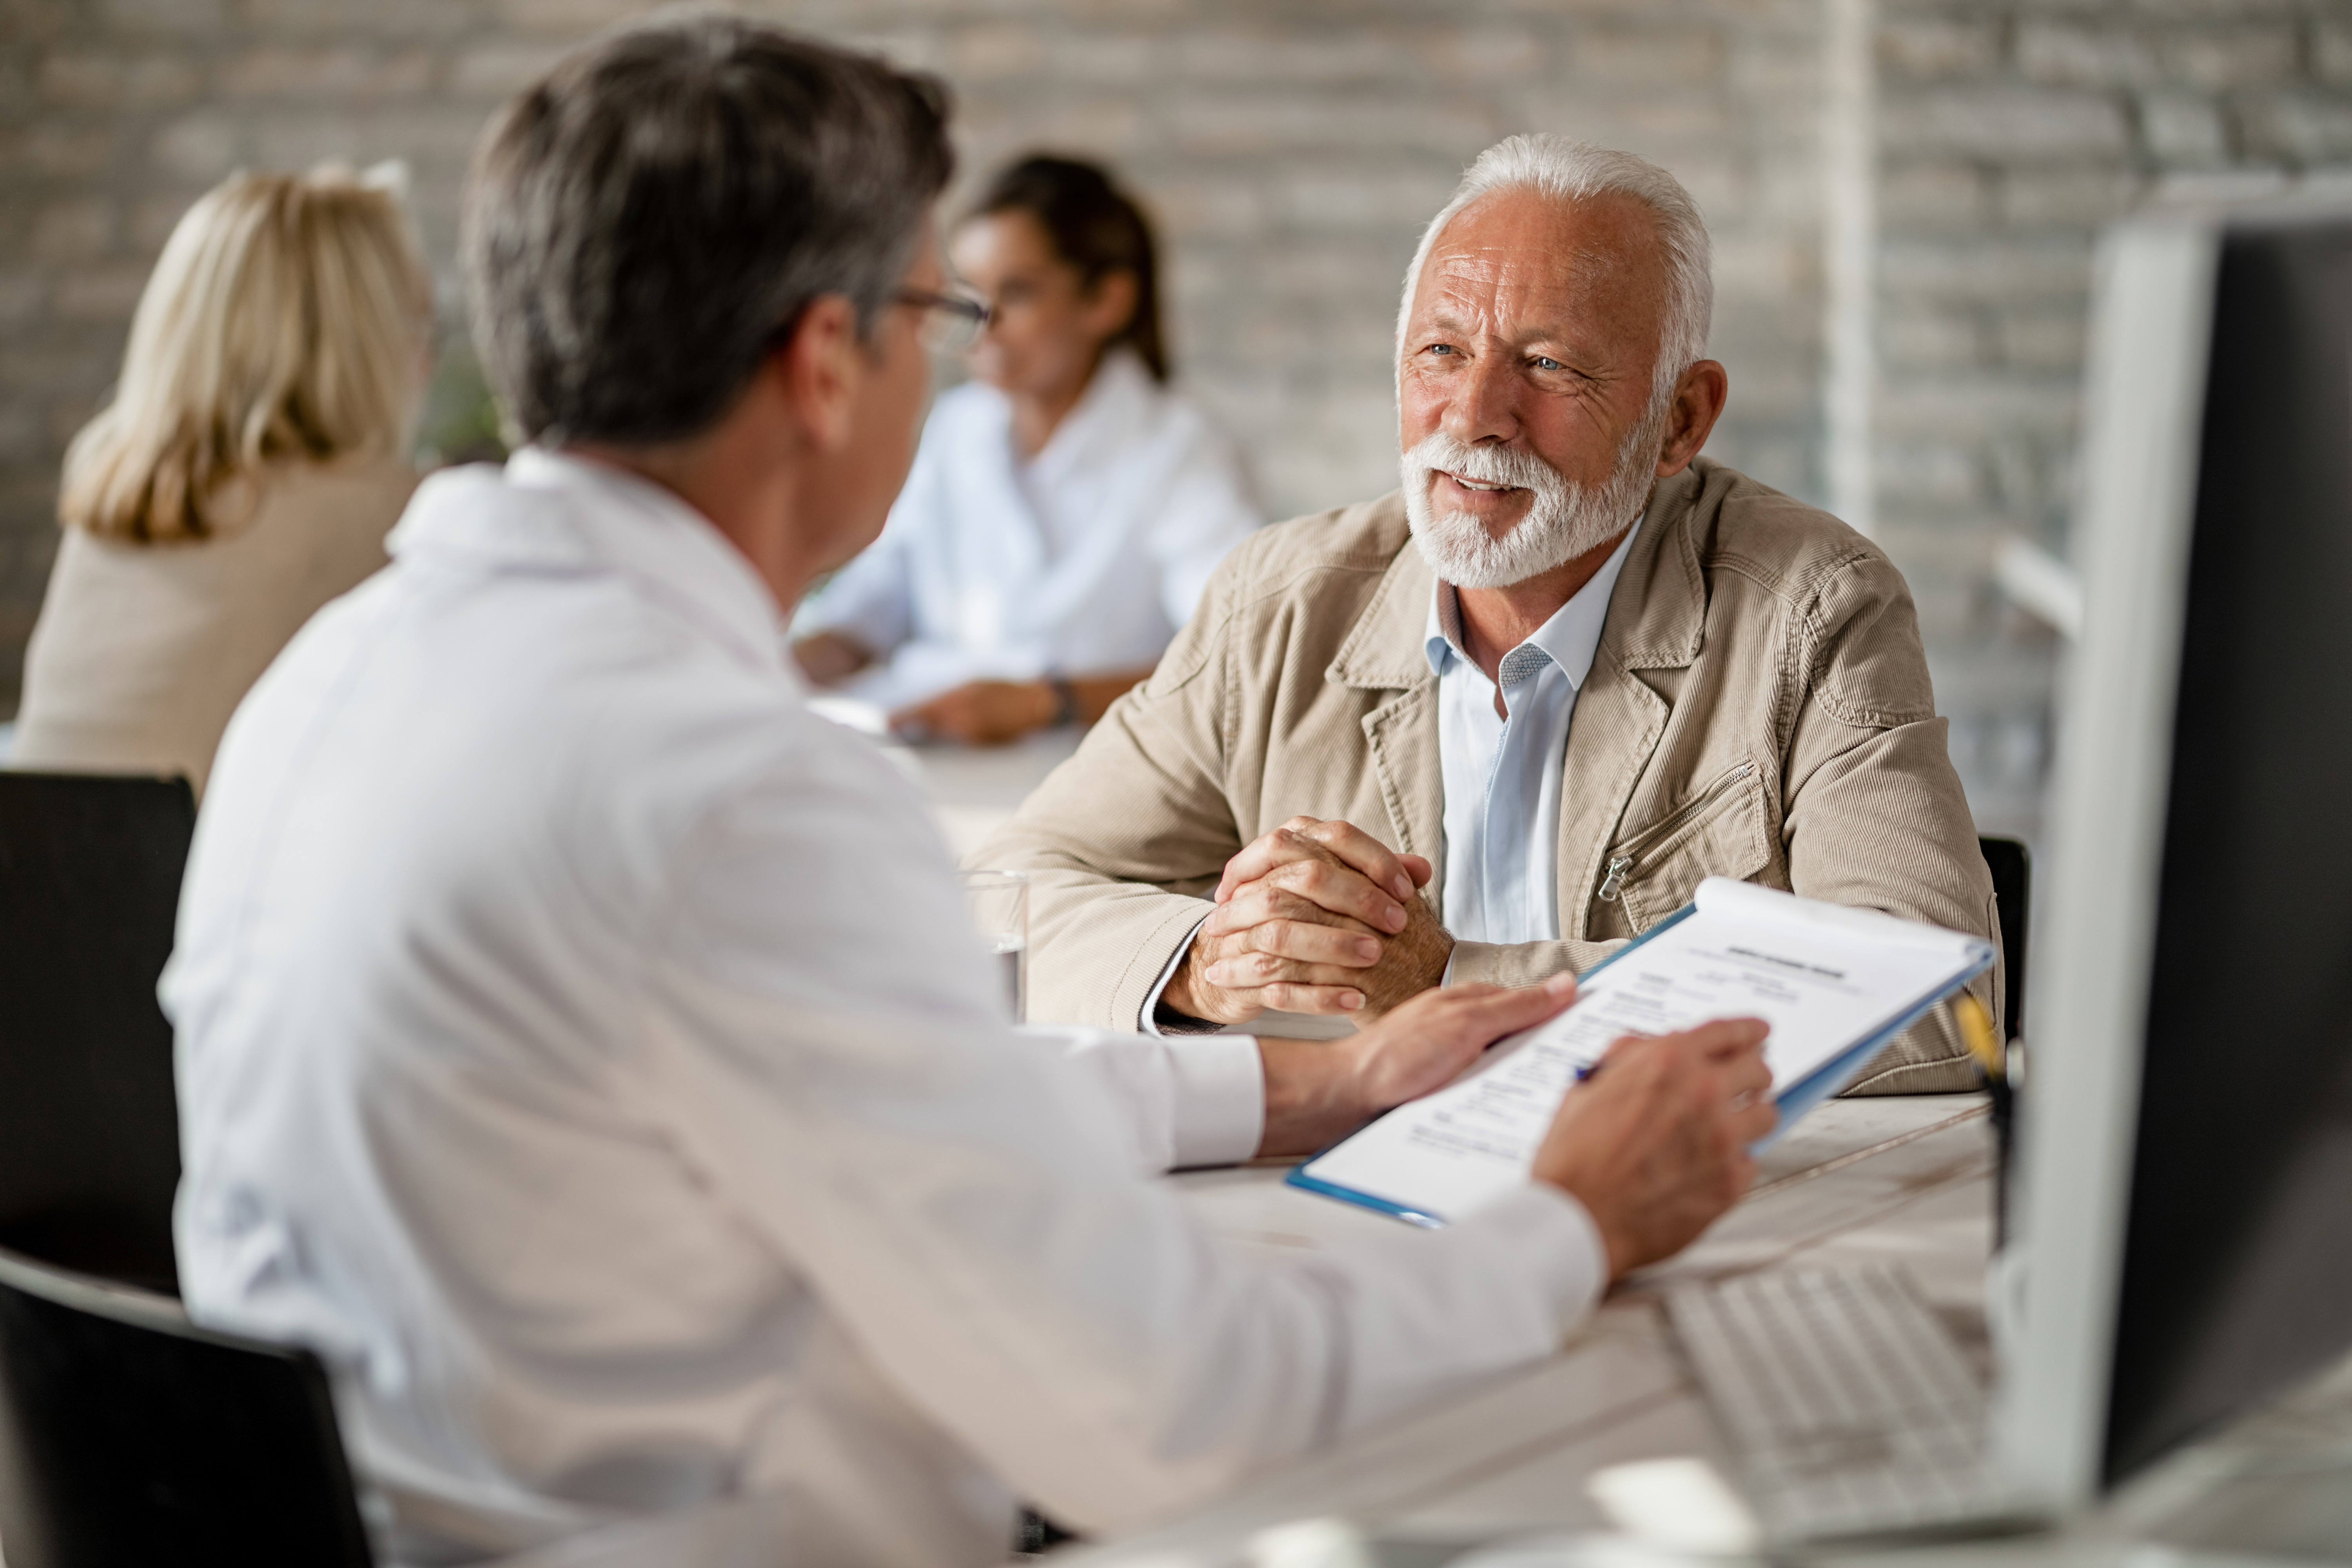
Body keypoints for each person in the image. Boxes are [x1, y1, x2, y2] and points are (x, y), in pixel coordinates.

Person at [166, 22, 1774, 1566]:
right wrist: (1569, 1224)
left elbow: (901, 1095)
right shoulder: (729, 794)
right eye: (938, 316)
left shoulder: (330, 676)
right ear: (823, 362)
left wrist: (1313, 1088)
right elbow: (1178, 1410)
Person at [976, 136, 2000, 1093]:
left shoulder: (1815, 610)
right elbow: (995, 903)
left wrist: (1452, 983)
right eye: (1441, 353)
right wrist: (1205, 967)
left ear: (1680, 418)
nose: (1473, 419)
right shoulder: (1279, 602)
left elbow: (1939, 1005)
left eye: (1548, 365)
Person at [791, 154, 1259, 746]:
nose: (985, 323)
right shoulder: (957, 430)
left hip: (1089, 760)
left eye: (1017, 292)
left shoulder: (1180, 449)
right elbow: (866, 617)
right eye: (969, 294)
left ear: (1106, 301)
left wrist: (1049, 702)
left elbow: (1238, 657)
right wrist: (773, 672)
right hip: (926, 747)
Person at [13, 165, 430, 794]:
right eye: (421, 330)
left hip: (36, 882)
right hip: (209, 888)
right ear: (366, 350)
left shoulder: (113, 503)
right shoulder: (391, 517)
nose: (425, 362)